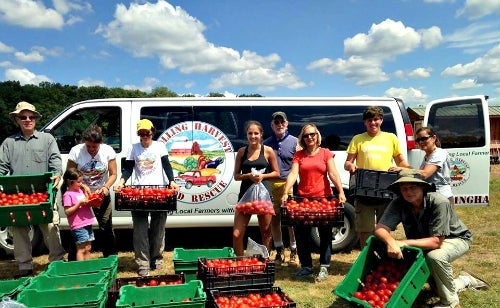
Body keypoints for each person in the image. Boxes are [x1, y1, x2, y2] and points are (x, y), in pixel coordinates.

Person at [374, 169, 489, 308]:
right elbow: (380, 228)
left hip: (455, 238)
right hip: (426, 242)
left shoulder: (438, 202)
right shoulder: (398, 203)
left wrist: (401, 242)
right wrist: (391, 242)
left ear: (422, 186)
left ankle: (450, 303)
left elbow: (436, 242)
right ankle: (465, 280)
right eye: (404, 188)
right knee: (438, 289)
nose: (408, 192)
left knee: (435, 257)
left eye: (412, 187)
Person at [0, 101, 66, 277]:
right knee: (19, 229)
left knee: (51, 227)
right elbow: (2, 167)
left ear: (36, 119)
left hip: (43, 193)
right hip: (18, 195)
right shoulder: (8, 143)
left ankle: (57, 263)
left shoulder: (47, 139)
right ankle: (24, 267)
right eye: (23, 117)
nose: (27, 120)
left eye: (31, 116)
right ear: (17, 119)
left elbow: (55, 160)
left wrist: (57, 173)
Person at [280, 123, 346, 282]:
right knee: (301, 234)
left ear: (317, 136)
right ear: (302, 138)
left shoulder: (325, 153)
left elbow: (333, 173)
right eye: (306, 135)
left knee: (325, 234)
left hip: (324, 198)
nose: (310, 137)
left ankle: (324, 266)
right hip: (303, 199)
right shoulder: (299, 155)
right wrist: (285, 191)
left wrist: (341, 191)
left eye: (312, 134)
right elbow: (293, 173)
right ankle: (306, 267)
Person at [114, 119, 179, 277]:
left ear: (152, 132)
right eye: (141, 133)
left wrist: (172, 181)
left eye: (147, 133)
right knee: (140, 230)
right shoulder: (134, 148)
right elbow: (128, 168)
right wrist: (121, 181)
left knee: (158, 228)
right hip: (140, 193)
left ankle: (156, 257)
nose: (144, 136)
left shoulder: (159, 146)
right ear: (138, 134)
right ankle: (143, 262)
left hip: (159, 192)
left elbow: (166, 166)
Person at [344, 106, 411, 248]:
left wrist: (404, 168)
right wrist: (351, 166)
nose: (373, 123)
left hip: (385, 188)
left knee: (384, 230)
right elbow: (348, 162)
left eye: (376, 119)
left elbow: (402, 162)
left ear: (381, 120)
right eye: (369, 120)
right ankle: (365, 262)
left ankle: (382, 261)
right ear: (365, 122)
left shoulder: (391, 138)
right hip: (364, 189)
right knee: (365, 230)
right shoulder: (358, 139)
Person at [66, 125, 118, 259]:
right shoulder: (76, 151)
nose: (91, 149)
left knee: (106, 226)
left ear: (100, 143)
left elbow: (113, 174)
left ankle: (111, 258)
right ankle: (74, 260)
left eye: (94, 147)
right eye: (88, 146)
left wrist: (106, 187)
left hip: (101, 195)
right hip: (80, 196)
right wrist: (82, 185)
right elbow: (70, 174)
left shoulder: (108, 150)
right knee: (79, 227)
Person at [233, 121, 279, 256]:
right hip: (245, 197)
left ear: (261, 134)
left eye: (256, 133)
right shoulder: (242, 152)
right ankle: (240, 263)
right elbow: (236, 176)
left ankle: (265, 262)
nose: (253, 136)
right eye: (250, 133)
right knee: (237, 234)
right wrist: (248, 175)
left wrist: (262, 176)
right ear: (246, 135)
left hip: (264, 197)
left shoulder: (268, 151)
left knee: (266, 233)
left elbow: (277, 173)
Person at [263, 111, 298, 265]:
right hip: (272, 184)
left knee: (291, 221)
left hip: (288, 185)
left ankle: (294, 252)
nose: (279, 125)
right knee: (275, 220)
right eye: (276, 123)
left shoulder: (296, 142)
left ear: (287, 123)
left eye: (282, 122)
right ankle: (279, 252)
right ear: (272, 125)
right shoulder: (266, 144)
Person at [61, 168, 96, 261]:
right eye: (79, 182)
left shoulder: (80, 190)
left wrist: (88, 194)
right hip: (78, 225)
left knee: (88, 248)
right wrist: (79, 204)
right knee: (81, 249)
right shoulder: (68, 195)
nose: (81, 184)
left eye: (82, 181)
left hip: (87, 222)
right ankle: (81, 269)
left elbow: (87, 201)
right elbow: (67, 211)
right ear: (70, 182)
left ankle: (88, 267)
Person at [415, 126, 454, 205]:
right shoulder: (427, 156)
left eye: (424, 139)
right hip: (432, 197)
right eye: (418, 140)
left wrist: (403, 170)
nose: (420, 142)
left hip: (442, 198)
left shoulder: (439, 153)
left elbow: (425, 174)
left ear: (433, 138)